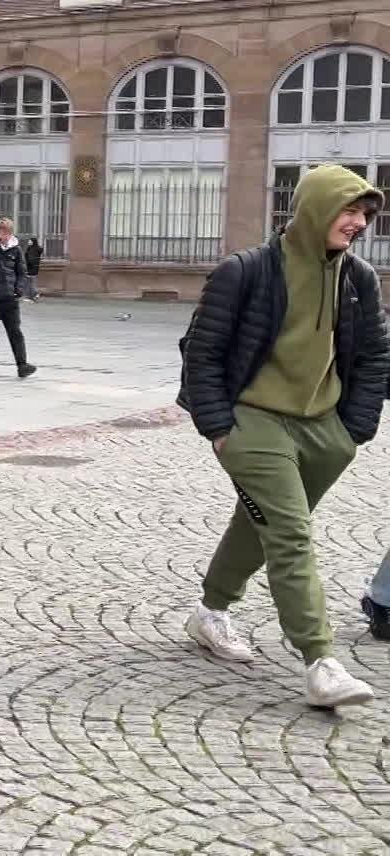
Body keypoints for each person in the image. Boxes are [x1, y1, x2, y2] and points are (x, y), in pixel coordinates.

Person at [177, 164, 388, 707]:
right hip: (254, 421)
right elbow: (201, 353)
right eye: (349, 210)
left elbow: (375, 356)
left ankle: (209, 612)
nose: (358, 222)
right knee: (290, 532)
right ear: (316, 207)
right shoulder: (245, 271)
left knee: (260, 519)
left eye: (364, 213)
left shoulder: (358, 279)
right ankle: (321, 662)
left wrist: (353, 430)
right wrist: (221, 430)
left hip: (325, 429)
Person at [0, 216, 36, 378]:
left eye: (6, 231)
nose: (3, 234)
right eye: (0, 230)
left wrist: (19, 289)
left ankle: (22, 365)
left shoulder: (16, 250)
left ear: (10, 233)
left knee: (15, 332)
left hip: (9, 299)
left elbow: (22, 273)